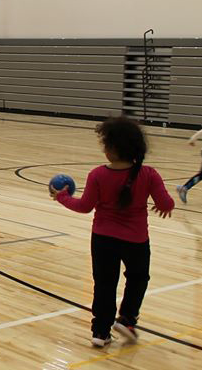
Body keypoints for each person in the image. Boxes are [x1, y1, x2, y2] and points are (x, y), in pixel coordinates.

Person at [52, 116, 174, 348]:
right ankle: (127, 318)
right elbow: (167, 204)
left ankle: (100, 331)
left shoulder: (98, 174)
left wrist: (62, 197)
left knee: (105, 284)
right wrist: (162, 205)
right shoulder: (149, 174)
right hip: (136, 241)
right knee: (138, 279)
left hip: (103, 240)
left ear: (111, 149)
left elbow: (84, 207)